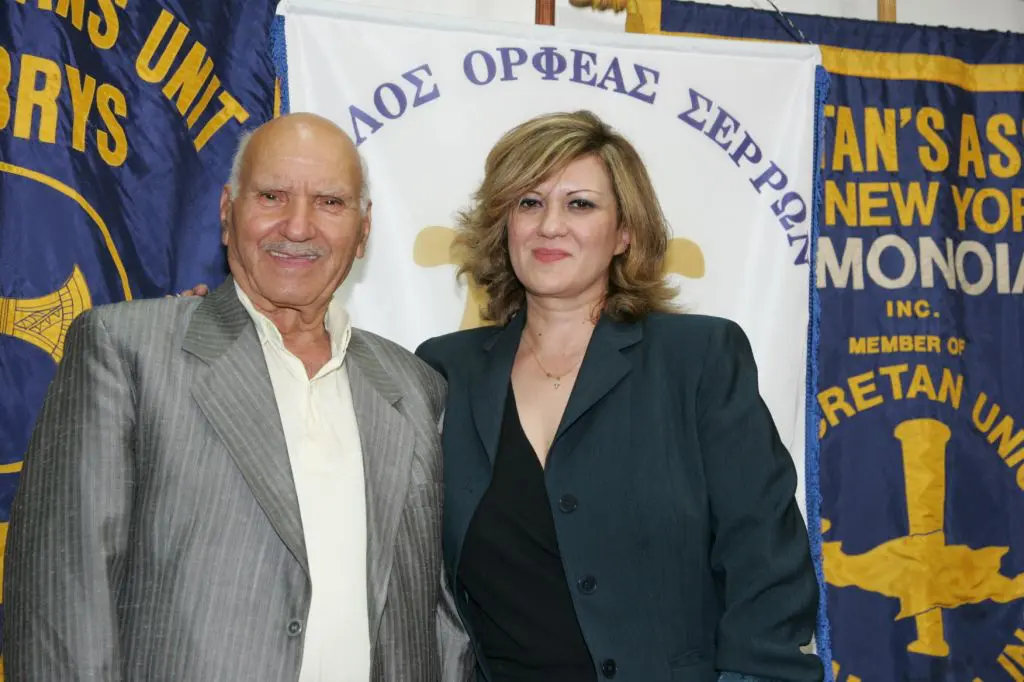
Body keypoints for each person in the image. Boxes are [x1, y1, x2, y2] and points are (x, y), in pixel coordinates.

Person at [3, 113, 473, 682]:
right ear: (228, 213)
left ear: (364, 229)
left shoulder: (415, 387)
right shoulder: (128, 353)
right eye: (272, 196)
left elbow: (439, 616)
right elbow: (61, 600)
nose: (298, 227)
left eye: (329, 202)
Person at [414, 111, 823, 682]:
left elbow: (767, 571)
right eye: (528, 203)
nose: (550, 225)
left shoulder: (698, 358)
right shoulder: (442, 370)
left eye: (579, 204)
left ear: (625, 231)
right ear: (503, 224)